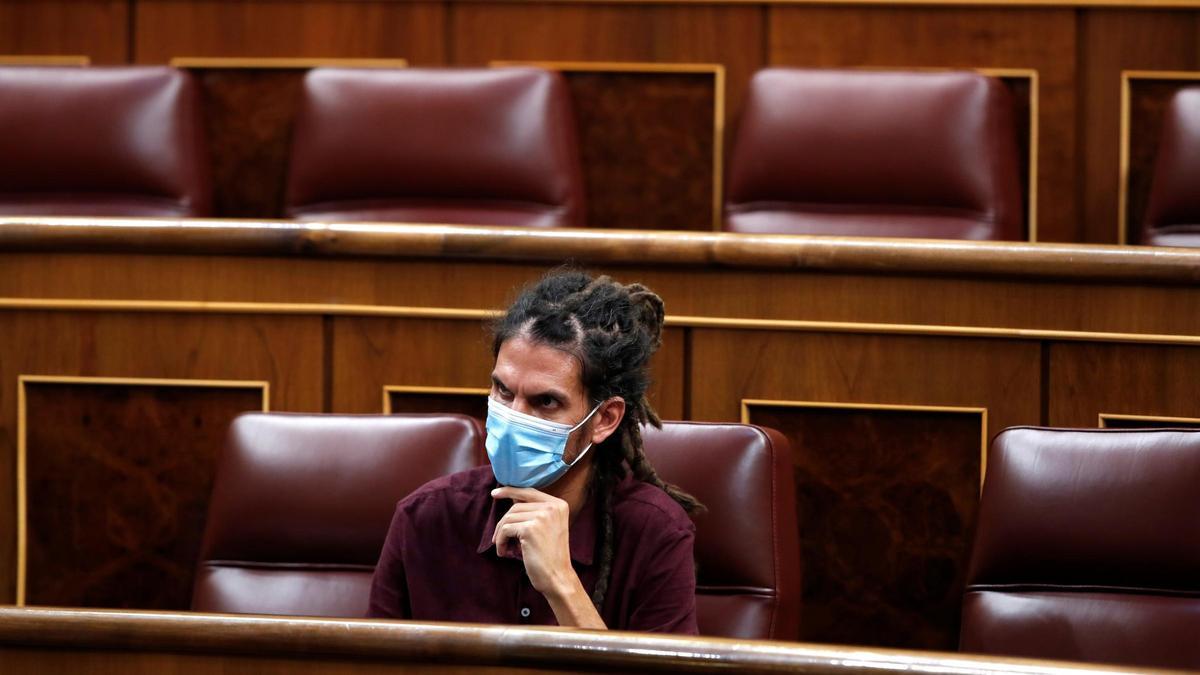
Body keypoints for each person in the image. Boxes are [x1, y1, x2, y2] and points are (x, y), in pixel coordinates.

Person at [367, 269, 703, 633]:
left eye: (545, 401)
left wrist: (561, 584)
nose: (514, 418)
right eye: (503, 391)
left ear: (604, 418)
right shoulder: (426, 517)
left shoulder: (656, 533)